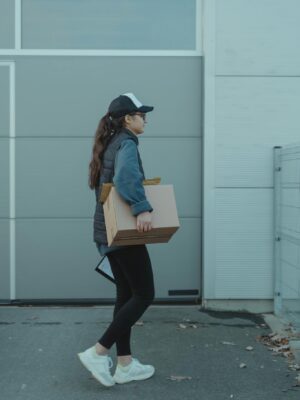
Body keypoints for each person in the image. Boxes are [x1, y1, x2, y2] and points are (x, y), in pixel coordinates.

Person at [78, 93, 156, 387]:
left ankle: (124, 364)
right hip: (124, 234)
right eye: (141, 114)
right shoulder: (126, 143)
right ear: (128, 118)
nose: (145, 118)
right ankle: (98, 352)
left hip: (108, 233)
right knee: (145, 294)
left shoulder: (109, 144)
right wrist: (142, 208)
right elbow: (125, 180)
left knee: (126, 296)